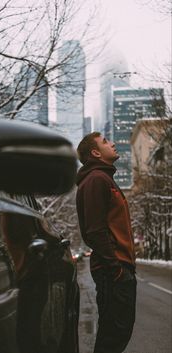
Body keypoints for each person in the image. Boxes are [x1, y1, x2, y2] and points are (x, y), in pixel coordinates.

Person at [76, 132, 136, 353]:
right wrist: (115, 267)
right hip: (113, 269)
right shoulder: (96, 180)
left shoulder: (103, 178)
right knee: (113, 336)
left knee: (116, 333)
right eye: (105, 142)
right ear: (95, 152)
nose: (112, 143)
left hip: (118, 266)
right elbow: (94, 230)